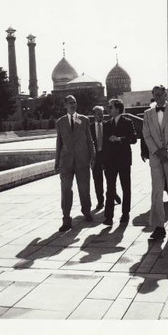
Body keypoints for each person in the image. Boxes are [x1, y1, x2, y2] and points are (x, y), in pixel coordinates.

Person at [142, 85, 168, 239]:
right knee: (157, 192)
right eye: (155, 95)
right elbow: (146, 135)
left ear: (166, 94)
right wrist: (157, 151)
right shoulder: (148, 114)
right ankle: (159, 226)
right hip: (156, 157)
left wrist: (167, 149)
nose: (158, 97)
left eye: (160, 94)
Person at [54, 94, 95, 232]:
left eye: (75, 102)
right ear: (65, 105)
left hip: (82, 160)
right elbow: (59, 143)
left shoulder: (83, 120)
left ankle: (86, 211)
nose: (73, 105)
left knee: (84, 188)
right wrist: (56, 162)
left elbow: (89, 140)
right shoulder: (60, 122)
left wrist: (93, 156)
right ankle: (66, 218)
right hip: (66, 162)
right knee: (65, 191)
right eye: (70, 103)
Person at [103, 98, 137, 226]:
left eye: (110, 107)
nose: (108, 109)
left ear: (117, 108)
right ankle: (108, 216)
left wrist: (119, 139)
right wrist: (104, 162)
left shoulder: (127, 122)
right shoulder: (107, 124)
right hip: (110, 162)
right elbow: (105, 144)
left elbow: (133, 139)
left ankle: (125, 213)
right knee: (110, 189)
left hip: (123, 160)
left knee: (125, 187)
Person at [90, 105, 121, 210]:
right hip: (96, 157)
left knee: (111, 179)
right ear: (94, 115)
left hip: (107, 156)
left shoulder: (108, 125)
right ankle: (100, 201)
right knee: (97, 180)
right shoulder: (89, 128)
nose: (101, 115)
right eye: (98, 113)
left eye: (102, 113)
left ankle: (113, 194)